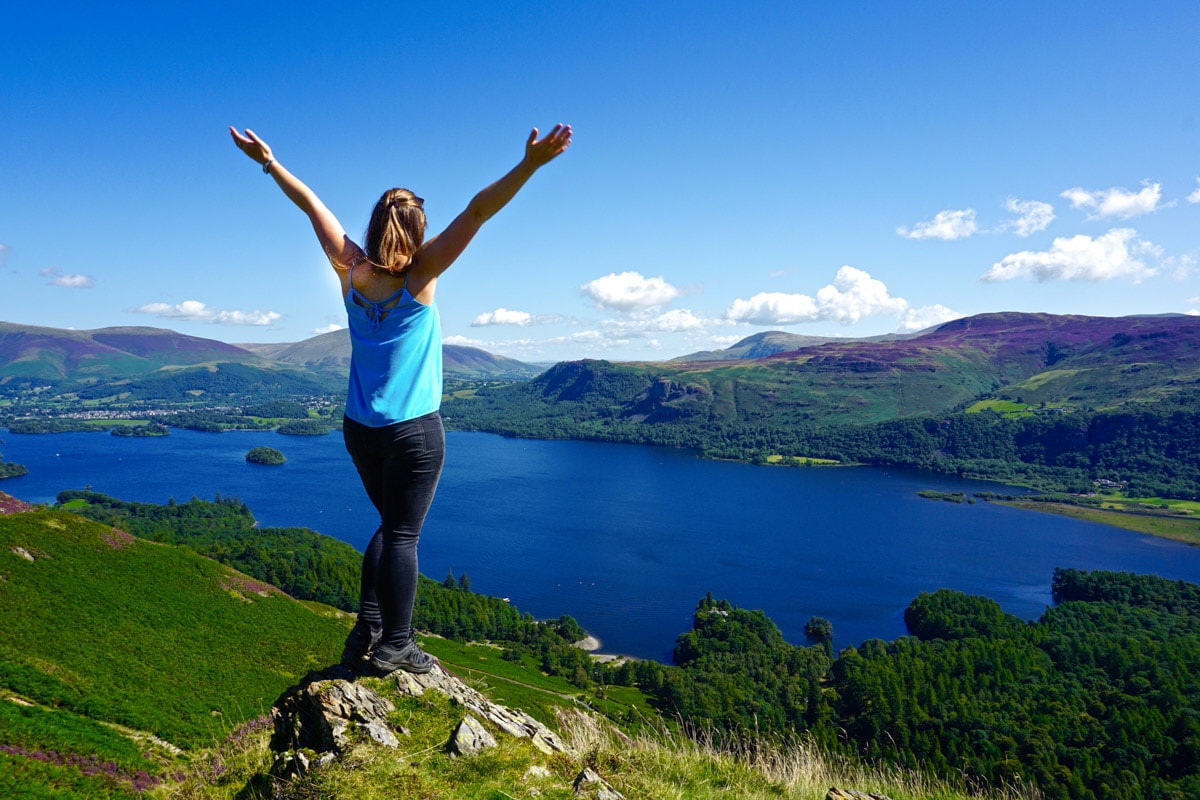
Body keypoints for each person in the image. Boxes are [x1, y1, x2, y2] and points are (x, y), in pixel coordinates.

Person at [230, 122, 572, 675]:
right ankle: (398, 645)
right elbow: (479, 211)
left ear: (373, 224)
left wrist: (269, 163)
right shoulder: (422, 274)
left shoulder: (351, 270)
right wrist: (530, 164)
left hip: (359, 431)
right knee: (403, 535)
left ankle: (367, 626)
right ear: (418, 231)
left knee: (389, 526)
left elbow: (311, 205)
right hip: (413, 431)